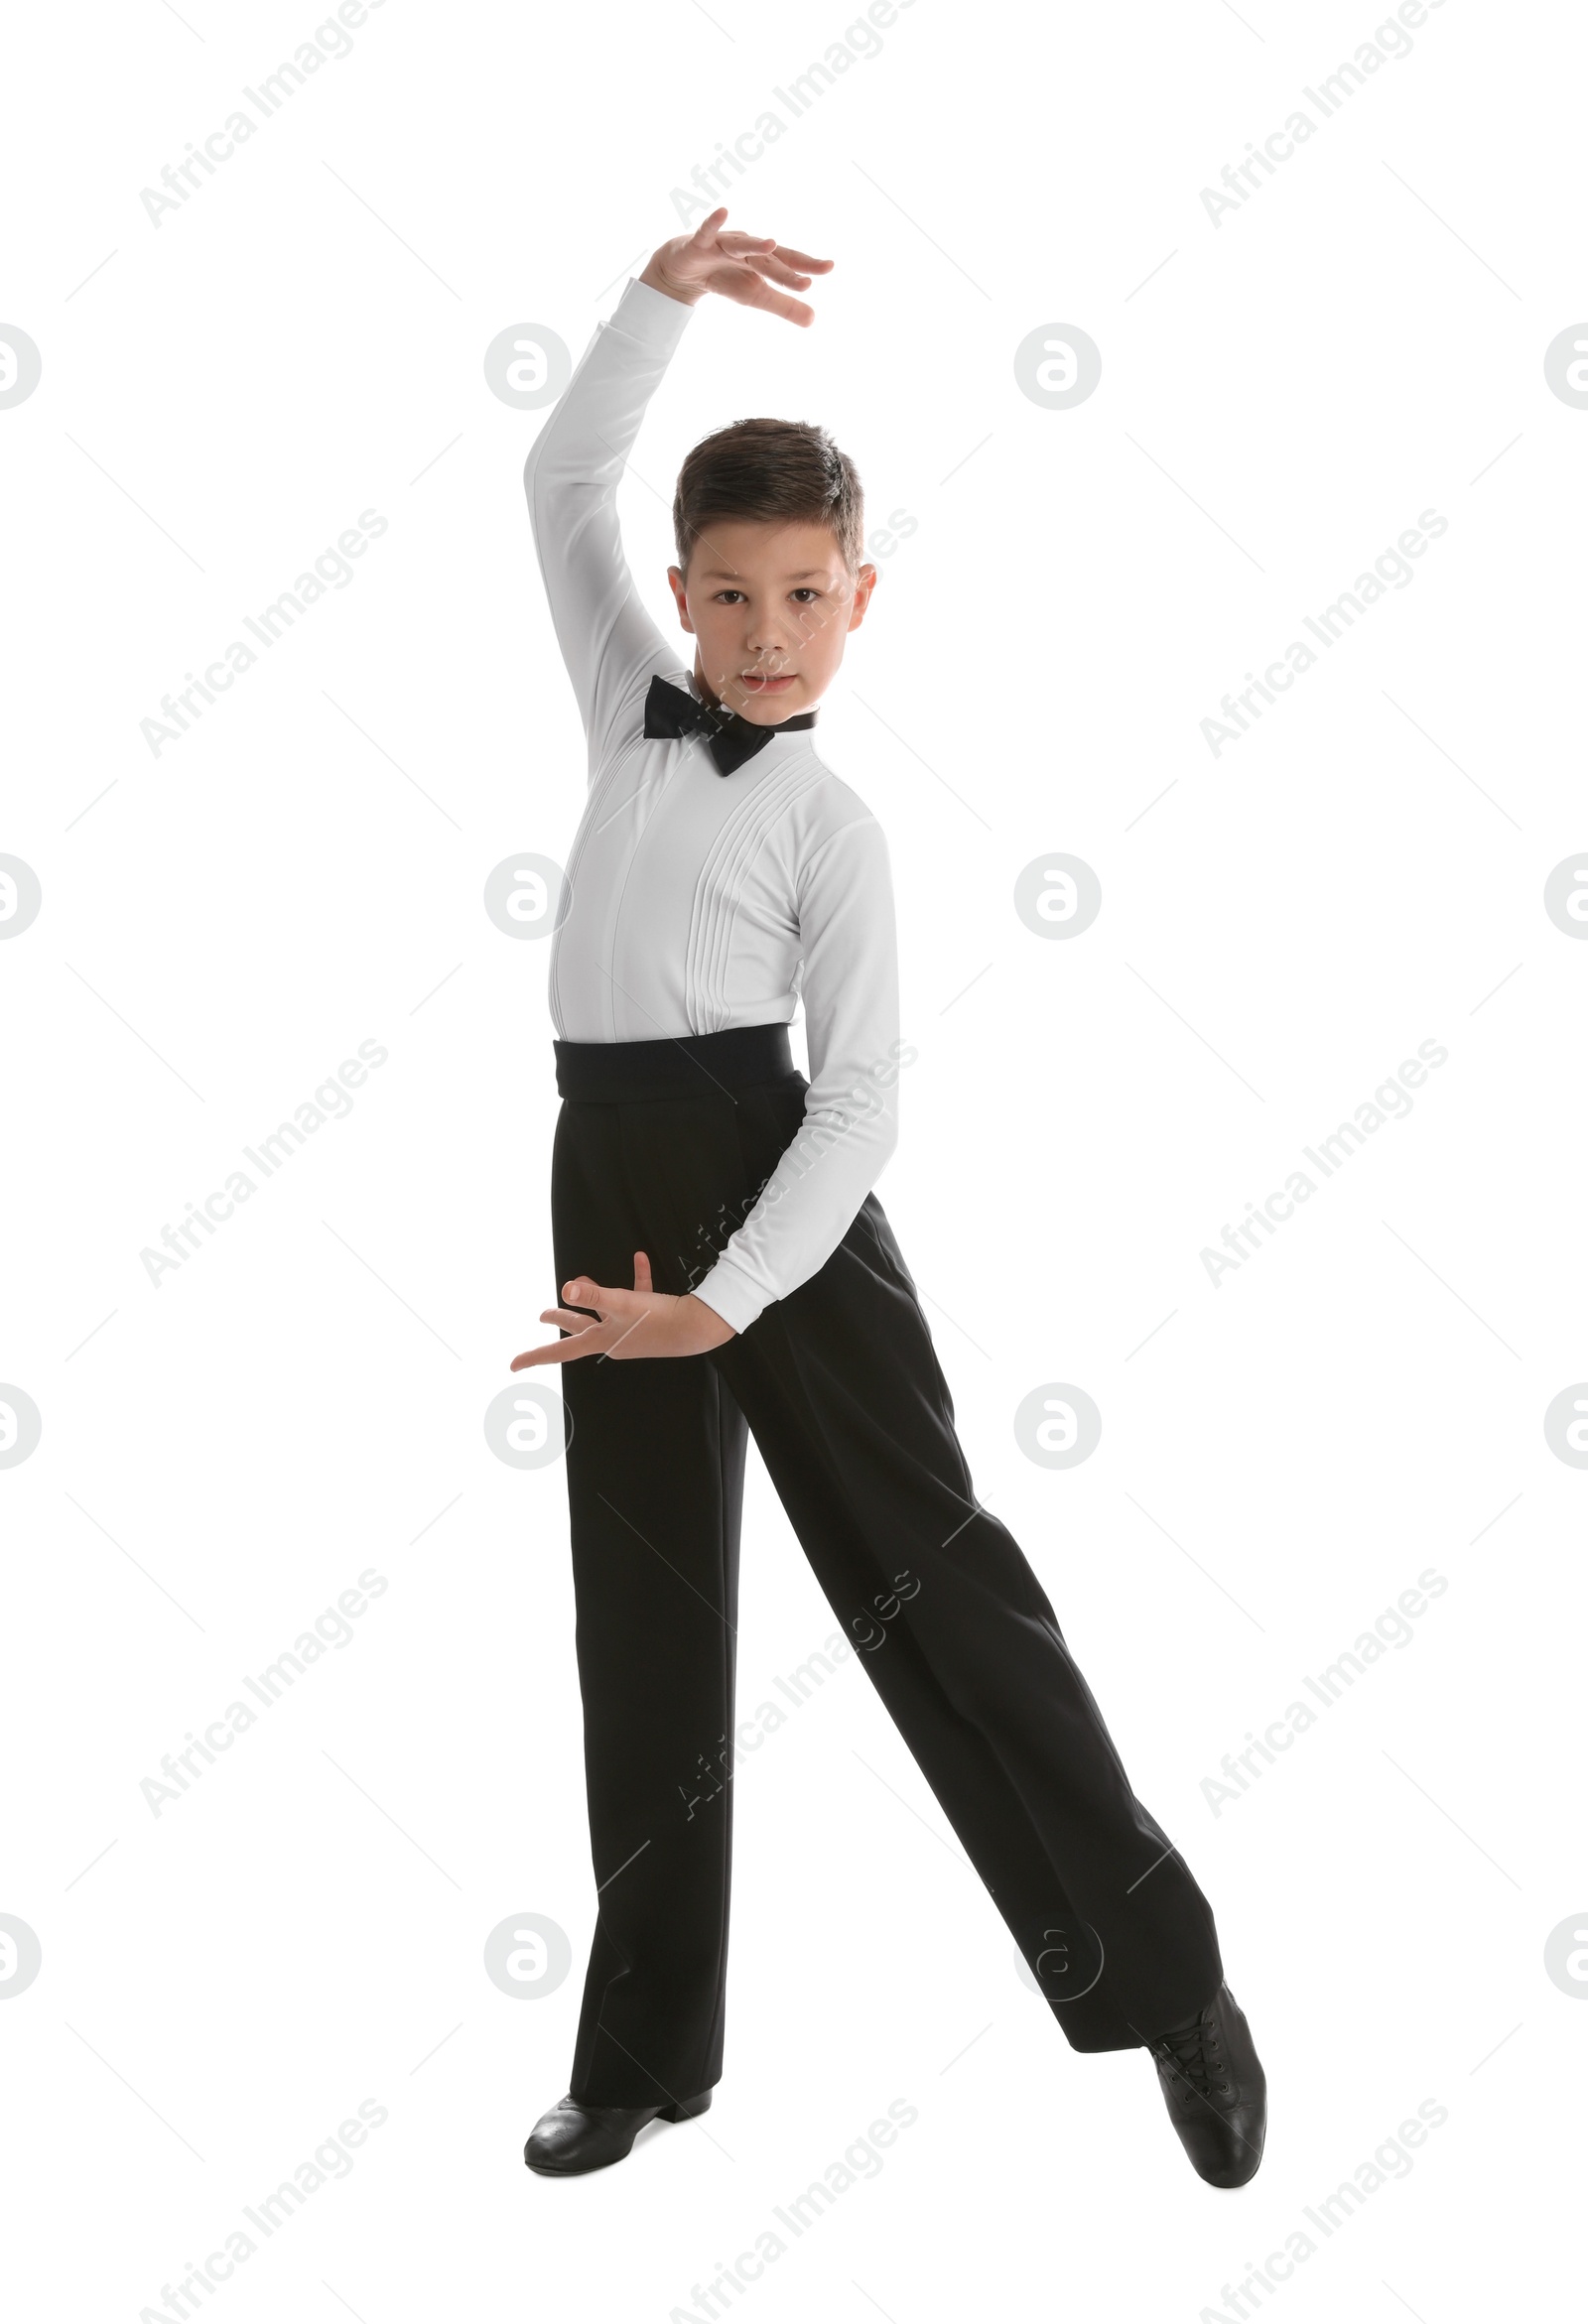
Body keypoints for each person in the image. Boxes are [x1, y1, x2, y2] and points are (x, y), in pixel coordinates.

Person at [511, 208, 1266, 2185]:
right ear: (677, 597)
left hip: (782, 1211)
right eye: (731, 596)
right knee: (641, 1620)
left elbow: (856, 1106)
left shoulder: (832, 834)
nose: (763, 635)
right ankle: (643, 2049)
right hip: (607, 1170)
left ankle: (1164, 1976)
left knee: (936, 1597)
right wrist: (656, 300)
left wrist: (728, 1299)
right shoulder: (627, 707)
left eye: (803, 597)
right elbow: (556, 471)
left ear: (861, 602)